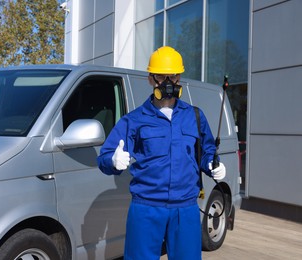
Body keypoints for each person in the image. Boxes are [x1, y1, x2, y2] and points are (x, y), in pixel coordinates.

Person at [97, 46, 226, 260]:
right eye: (161, 76)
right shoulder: (134, 120)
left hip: (185, 208)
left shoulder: (194, 116)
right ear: (150, 79)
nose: (168, 82)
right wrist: (112, 159)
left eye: (173, 76)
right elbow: (104, 156)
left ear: (179, 77)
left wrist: (213, 165)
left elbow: (206, 151)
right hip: (146, 207)